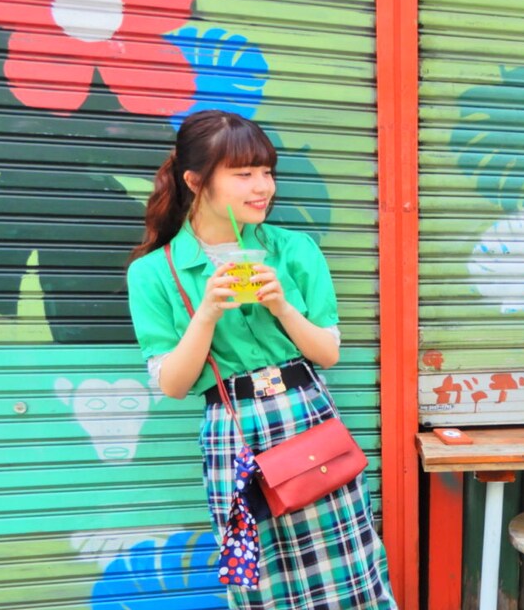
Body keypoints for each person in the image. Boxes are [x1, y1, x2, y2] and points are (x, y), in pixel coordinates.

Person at [126, 110, 398, 609]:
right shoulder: (153, 272)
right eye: (244, 173)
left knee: (349, 571)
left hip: (307, 416)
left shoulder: (293, 248)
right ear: (195, 181)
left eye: (267, 172)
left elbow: (327, 353)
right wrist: (207, 313)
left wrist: (281, 306)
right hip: (233, 432)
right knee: (261, 582)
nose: (262, 187)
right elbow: (173, 385)